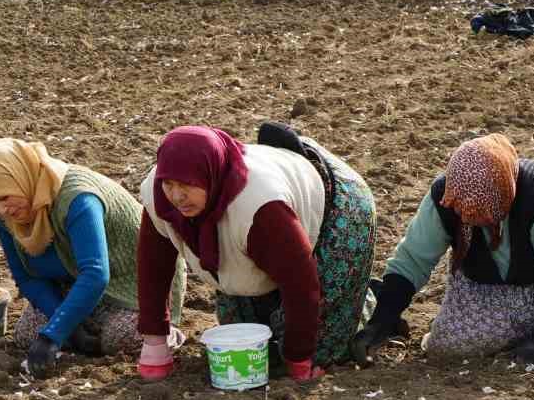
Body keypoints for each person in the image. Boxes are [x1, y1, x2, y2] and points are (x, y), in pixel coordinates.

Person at [352, 134, 534, 367]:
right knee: (449, 349)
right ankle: (520, 327)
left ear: (504, 193)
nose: (470, 218)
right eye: (464, 211)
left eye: (482, 211)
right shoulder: (446, 198)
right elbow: (411, 261)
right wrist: (381, 322)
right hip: (489, 276)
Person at [136, 122, 377, 381]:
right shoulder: (159, 197)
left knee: (324, 340)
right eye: (169, 184)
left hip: (339, 204)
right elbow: (153, 268)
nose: (177, 196)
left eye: (187, 185)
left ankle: (370, 301)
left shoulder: (261, 209)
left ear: (209, 175)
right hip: (262, 227)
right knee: (245, 325)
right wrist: (155, 344)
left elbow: (301, 283)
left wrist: (299, 360)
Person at [0, 138, 184, 376]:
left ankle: (164, 333)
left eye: (4, 197)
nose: (1, 209)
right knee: (27, 333)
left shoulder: (77, 198)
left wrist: (53, 335)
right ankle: (85, 330)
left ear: (20, 176)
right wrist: (66, 328)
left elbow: (95, 274)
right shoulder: (4, 217)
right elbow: (25, 276)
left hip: (132, 286)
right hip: (72, 283)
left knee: (121, 338)